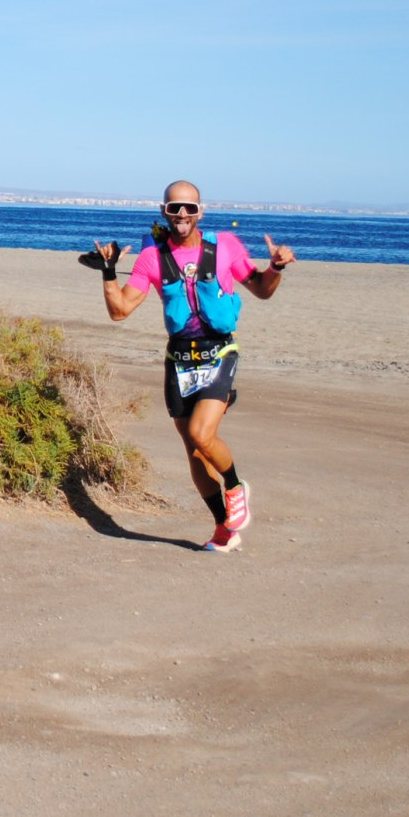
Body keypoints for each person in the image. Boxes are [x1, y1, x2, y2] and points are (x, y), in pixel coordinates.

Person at [90, 180, 295, 553]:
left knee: (202, 433)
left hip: (219, 353)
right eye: (174, 208)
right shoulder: (152, 258)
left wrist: (275, 267)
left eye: (189, 207)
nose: (182, 214)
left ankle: (235, 487)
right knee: (195, 452)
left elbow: (261, 289)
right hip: (179, 360)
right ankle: (223, 528)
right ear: (164, 212)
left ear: (201, 212)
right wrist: (108, 271)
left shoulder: (225, 247)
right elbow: (120, 311)